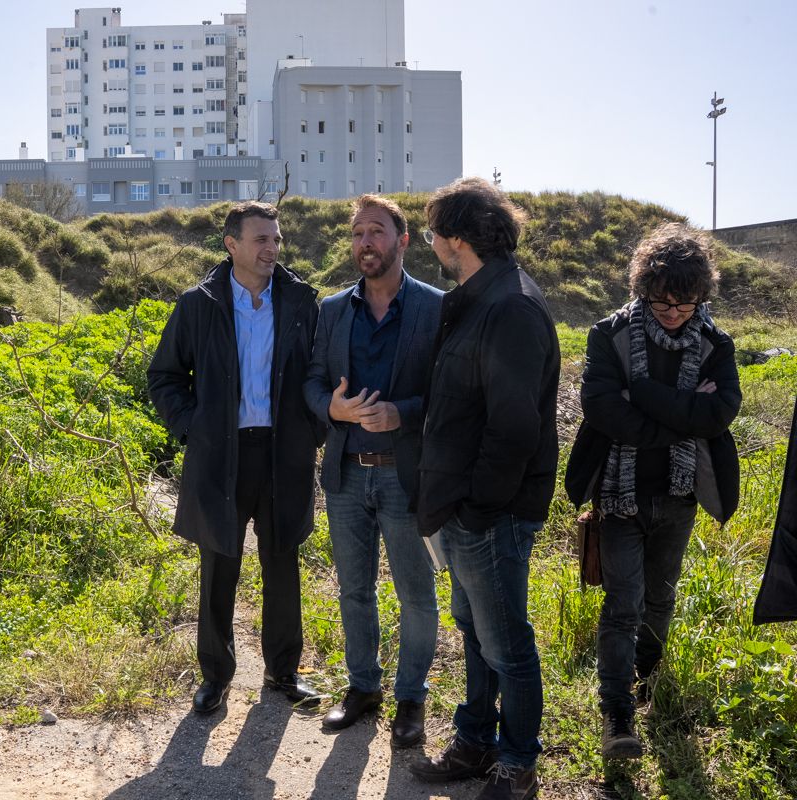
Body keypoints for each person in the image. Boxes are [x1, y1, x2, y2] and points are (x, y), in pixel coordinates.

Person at [564, 222, 740, 759]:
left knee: (660, 598)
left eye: (685, 303)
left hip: (679, 494)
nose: (673, 312)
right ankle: (616, 711)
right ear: (643, 287)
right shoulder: (609, 334)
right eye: (662, 301)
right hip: (619, 495)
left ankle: (646, 679)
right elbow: (602, 409)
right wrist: (683, 416)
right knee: (624, 604)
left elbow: (721, 411)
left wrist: (640, 393)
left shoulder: (715, 343)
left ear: (701, 295)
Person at [410, 178, 559, 800]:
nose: (431, 245)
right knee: (475, 632)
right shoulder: (478, 298)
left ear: (457, 239)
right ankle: (475, 743)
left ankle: (517, 763)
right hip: (463, 506)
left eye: (432, 234)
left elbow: (514, 427)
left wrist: (476, 512)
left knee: (506, 644)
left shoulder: (510, 307)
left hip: (488, 514)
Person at [148, 201, 323, 714]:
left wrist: (311, 431)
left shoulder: (300, 301)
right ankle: (216, 677)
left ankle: (283, 672)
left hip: (283, 454)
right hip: (220, 455)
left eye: (277, 239)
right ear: (231, 245)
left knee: (282, 564)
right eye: (261, 239)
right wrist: (194, 429)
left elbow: (320, 372)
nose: (272, 248)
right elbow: (165, 377)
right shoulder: (198, 304)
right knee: (218, 567)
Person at [302, 194, 442, 746]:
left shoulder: (436, 307)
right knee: (354, 590)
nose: (366, 242)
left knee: (416, 594)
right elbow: (313, 382)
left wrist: (401, 414)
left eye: (377, 231)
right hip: (347, 474)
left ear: (402, 240)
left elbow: (452, 394)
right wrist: (331, 409)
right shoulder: (334, 309)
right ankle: (363, 688)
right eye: (358, 233)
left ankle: (411, 698)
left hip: (406, 476)